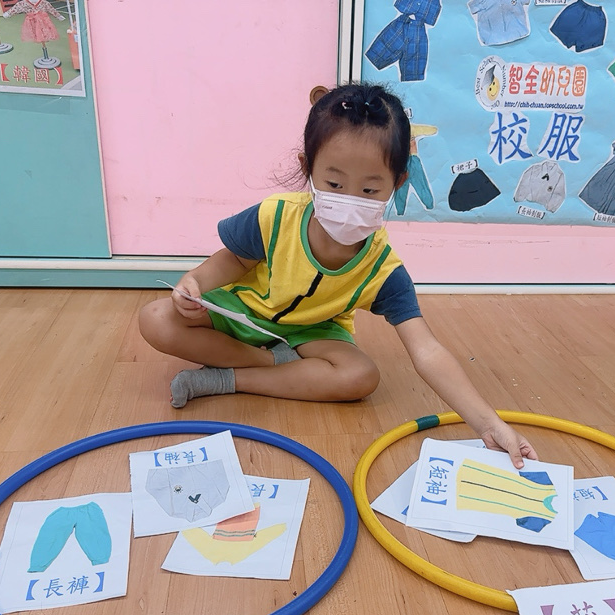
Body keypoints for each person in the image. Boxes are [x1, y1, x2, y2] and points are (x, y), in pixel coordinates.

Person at [139, 82, 538, 467]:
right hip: (245, 313)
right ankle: (271, 362)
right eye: (333, 183)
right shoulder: (275, 215)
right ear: (308, 168)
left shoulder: (383, 269)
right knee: (155, 318)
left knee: (360, 377)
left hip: (315, 334)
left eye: (369, 191)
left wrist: (489, 424)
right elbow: (234, 260)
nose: (349, 200)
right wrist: (196, 282)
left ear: (398, 182)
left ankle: (228, 379)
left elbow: (426, 350)